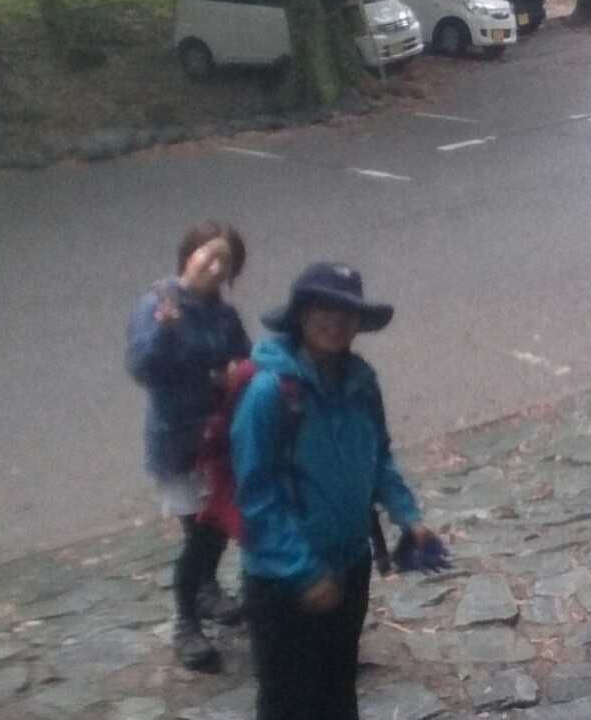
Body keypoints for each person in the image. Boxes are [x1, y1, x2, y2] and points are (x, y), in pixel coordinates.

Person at [233, 262, 438, 720]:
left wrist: (408, 516)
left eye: (347, 312)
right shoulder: (270, 391)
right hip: (284, 581)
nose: (336, 321)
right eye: (323, 309)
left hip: (348, 564)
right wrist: (304, 572)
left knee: (338, 690)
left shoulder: (361, 383)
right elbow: (256, 497)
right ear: (301, 315)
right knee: (287, 703)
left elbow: (378, 455)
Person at [125, 221, 252, 673]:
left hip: (220, 437)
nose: (215, 267)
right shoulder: (157, 304)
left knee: (213, 529)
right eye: (209, 255)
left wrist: (234, 373)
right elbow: (143, 369)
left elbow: (244, 357)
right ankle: (186, 620)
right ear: (189, 254)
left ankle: (206, 590)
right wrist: (164, 331)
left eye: (226, 262)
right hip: (179, 441)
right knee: (202, 532)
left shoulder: (224, 315)